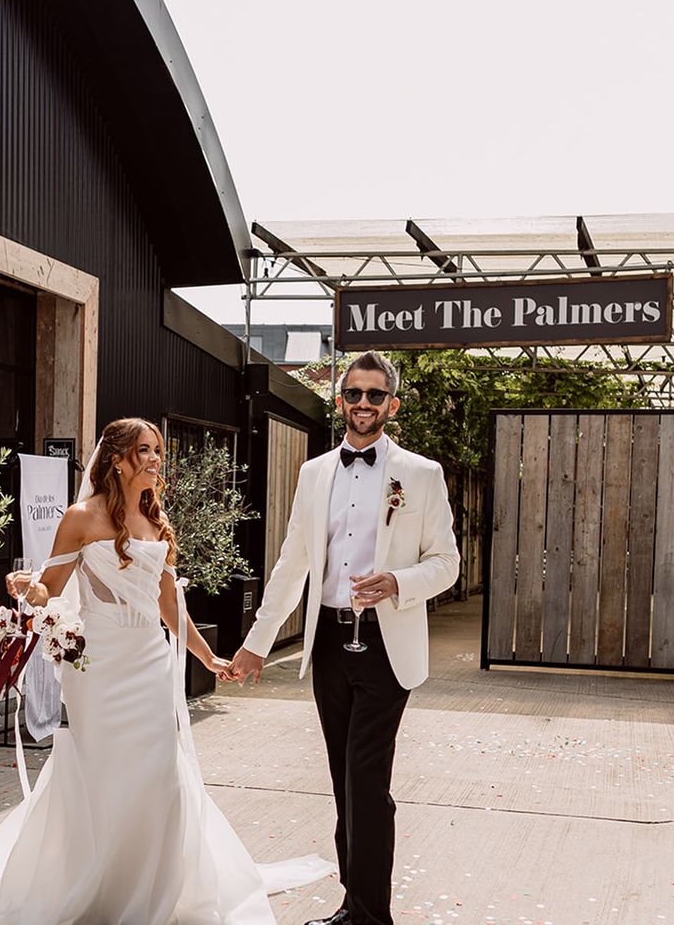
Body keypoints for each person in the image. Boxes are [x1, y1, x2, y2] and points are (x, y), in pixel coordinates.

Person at [0, 417, 332, 925]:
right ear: (117, 459)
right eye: (144, 450)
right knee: (103, 774)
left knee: (158, 776)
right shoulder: (81, 517)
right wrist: (26, 588)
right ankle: (90, 883)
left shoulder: (157, 519)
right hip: (97, 668)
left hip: (148, 665)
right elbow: (51, 587)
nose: (155, 460)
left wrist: (206, 656)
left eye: (158, 451)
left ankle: (152, 892)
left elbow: (168, 603)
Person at [230, 352, 460, 925]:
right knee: (343, 780)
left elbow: (447, 563)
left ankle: (369, 917)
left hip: (387, 645)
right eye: (354, 394)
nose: (363, 404)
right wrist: (258, 641)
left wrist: (397, 582)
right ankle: (354, 907)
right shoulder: (313, 475)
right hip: (330, 643)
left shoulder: (422, 475)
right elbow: (291, 563)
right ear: (340, 402)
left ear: (392, 404)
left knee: (365, 779)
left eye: (375, 395)